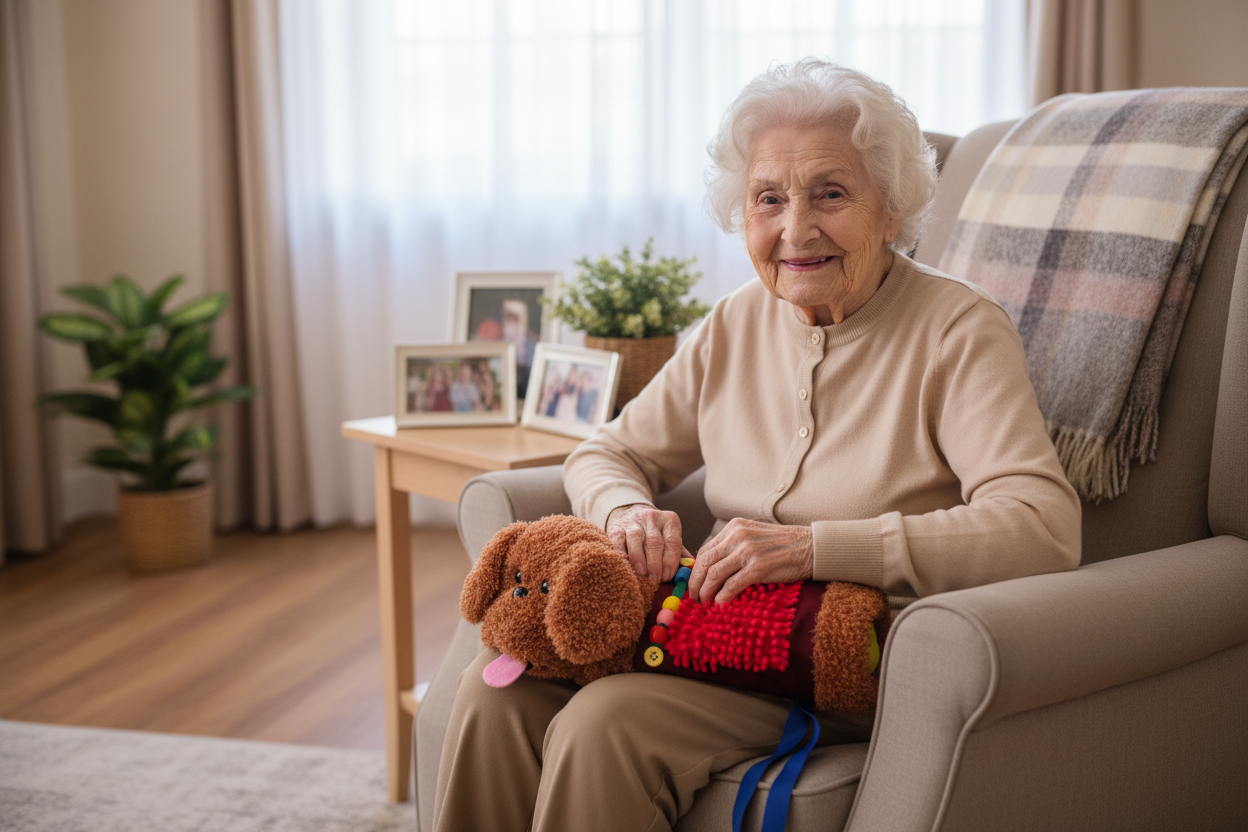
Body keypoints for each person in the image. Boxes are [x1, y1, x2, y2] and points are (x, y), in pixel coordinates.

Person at [433, 58, 1081, 832]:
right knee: (496, 690)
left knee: (604, 722)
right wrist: (625, 516)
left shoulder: (959, 333)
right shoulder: (737, 321)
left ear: (892, 210)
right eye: (768, 199)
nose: (795, 229)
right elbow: (607, 453)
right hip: (701, 631)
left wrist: (814, 548)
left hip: (845, 659)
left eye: (831, 194)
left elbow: (1042, 526)